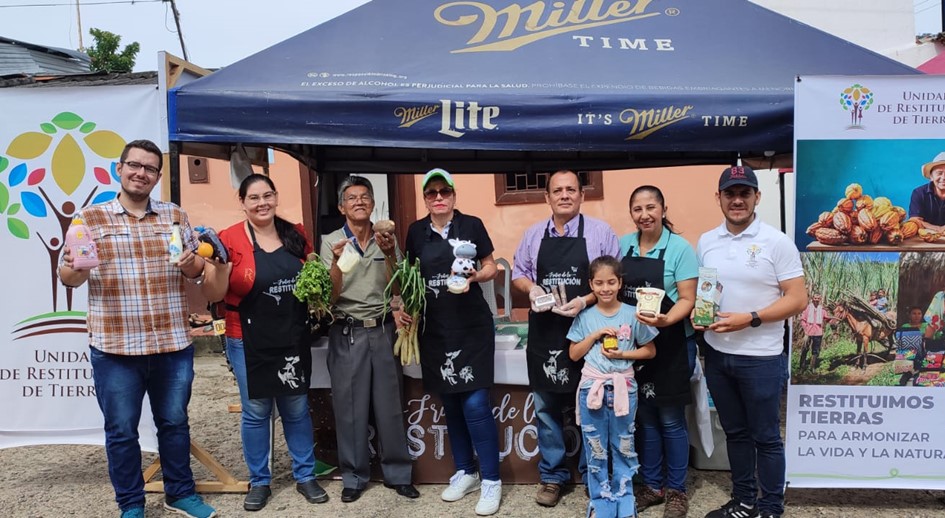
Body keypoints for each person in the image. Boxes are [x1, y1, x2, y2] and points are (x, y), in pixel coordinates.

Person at [57, 139, 216, 518]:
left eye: (149, 168)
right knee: (122, 431)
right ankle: (131, 504)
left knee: (175, 422)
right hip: (115, 348)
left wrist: (191, 263)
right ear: (120, 168)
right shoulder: (89, 218)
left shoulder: (175, 215)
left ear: (157, 177)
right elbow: (68, 277)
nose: (141, 173)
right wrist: (75, 268)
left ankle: (180, 493)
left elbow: (195, 274)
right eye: (134, 165)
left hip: (171, 342)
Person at [200, 174, 328, 511]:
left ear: (275, 197)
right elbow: (213, 294)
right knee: (256, 411)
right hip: (247, 337)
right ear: (242, 202)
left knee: (297, 407)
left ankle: (305, 475)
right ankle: (260, 480)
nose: (262, 203)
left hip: (292, 335)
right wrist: (218, 268)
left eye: (267, 195)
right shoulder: (227, 240)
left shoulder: (295, 234)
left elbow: (313, 279)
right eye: (254, 198)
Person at [696, 165, 807, 518]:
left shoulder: (776, 242)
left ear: (757, 197)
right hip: (717, 354)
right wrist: (701, 316)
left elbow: (797, 299)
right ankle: (743, 501)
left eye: (745, 193)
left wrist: (752, 318)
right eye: (730, 193)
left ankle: (771, 507)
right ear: (719, 198)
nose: (737, 200)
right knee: (736, 434)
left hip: (761, 357)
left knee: (766, 437)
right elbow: (708, 289)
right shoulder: (707, 241)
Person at [512, 170, 620, 506]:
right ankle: (552, 476)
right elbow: (518, 273)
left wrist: (586, 300)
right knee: (546, 408)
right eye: (557, 190)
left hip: (588, 330)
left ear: (581, 195)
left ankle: (593, 473)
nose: (564, 195)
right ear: (547, 197)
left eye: (571, 189)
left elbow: (615, 282)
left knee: (591, 405)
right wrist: (533, 290)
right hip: (545, 332)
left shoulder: (601, 233)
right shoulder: (532, 235)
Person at [403, 168, 502, 516]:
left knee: (475, 404)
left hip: (472, 326)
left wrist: (477, 275)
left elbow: (492, 266)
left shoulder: (471, 225)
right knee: (452, 404)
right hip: (435, 330)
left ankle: (492, 479)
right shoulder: (416, 232)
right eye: (431, 192)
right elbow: (408, 277)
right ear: (426, 199)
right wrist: (403, 308)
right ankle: (466, 471)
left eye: (444, 190)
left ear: (454, 195)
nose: (438, 196)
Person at [319, 176, 418, 503]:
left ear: (373, 204)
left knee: (389, 406)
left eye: (365, 197)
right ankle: (354, 476)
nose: (359, 202)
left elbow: (400, 288)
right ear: (341, 206)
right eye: (351, 198)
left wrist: (390, 255)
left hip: (383, 330)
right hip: (347, 331)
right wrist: (335, 262)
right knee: (349, 408)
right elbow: (328, 298)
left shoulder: (385, 238)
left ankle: (398, 473)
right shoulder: (331, 241)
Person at [618, 186, 698, 518]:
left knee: (671, 419)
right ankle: (652, 485)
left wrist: (666, 320)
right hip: (636, 344)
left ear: (664, 209)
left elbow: (687, 299)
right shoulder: (624, 244)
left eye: (651, 207)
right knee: (645, 418)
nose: (644, 214)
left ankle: (677, 490)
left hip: (672, 342)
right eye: (638, 209)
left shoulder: (680, 248)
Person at [567, 256, 658, 518]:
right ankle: (600, 501)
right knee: (595, 446)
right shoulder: (585, 316)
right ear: (590, 285)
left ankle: (624, 499)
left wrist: (623, 356)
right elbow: (574, 354)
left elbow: (650, 350)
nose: (605, 288)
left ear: (620, 283)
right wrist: (595, 336)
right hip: (592, 388)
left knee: (624, 445)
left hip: (623, 389)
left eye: (610, 282)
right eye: (599, 283)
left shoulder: (633, 314)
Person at [909, 152, 945, 230]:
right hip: (924, 238)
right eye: (939, 173)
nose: (943, 177)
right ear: (931, 177)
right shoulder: (919, 193)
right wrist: (939, 229)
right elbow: (915, 220)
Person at [798, 294, 832, 372]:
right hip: (808, 332)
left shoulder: (822, 310)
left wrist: (832, 319)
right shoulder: (807, 308)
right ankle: (802, 367)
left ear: (820, 299)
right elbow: (803, 320)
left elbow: (826, 318)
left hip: (818, 333)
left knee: (815, 350)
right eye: (815, 298)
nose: (816, 299)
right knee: (805, 349)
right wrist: (805, 329)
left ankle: (812, 367)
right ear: (812, 299)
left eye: (818, 298)